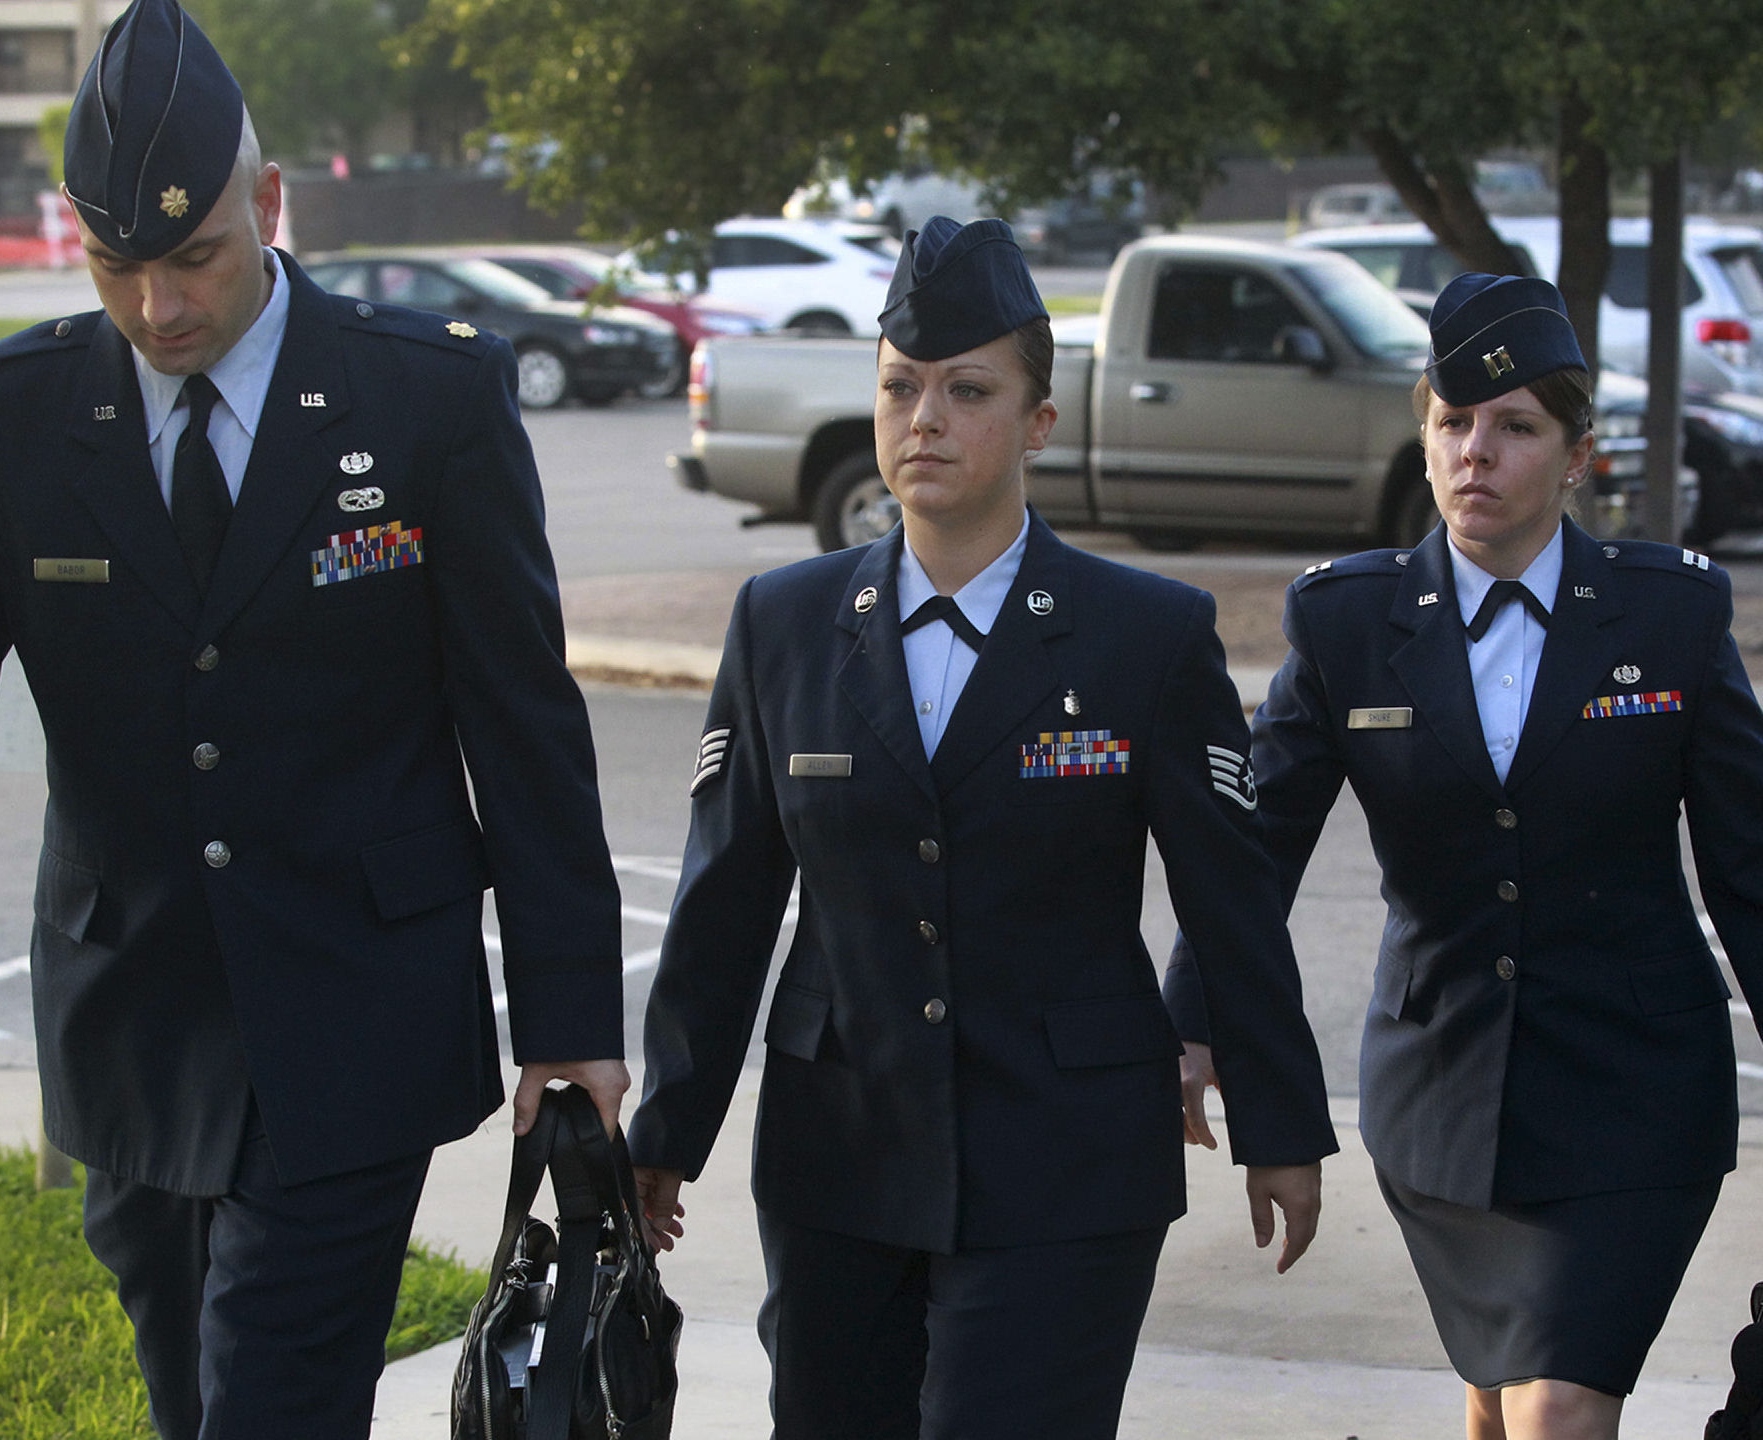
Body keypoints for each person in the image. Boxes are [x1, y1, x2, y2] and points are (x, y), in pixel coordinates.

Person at [0, 2, 627, 1435]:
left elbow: (523, 722)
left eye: (195, 258)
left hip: (358, 1009)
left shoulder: (429, 399)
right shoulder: (11, 418)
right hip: (135, 1020)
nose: (159, 308)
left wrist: (572, 1019)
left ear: (270, 205)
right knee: (193, 1399)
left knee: (268, 1401)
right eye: (119, 266)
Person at [625, 215, 1338, 1439]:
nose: (924, 420)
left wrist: (1278, 1122)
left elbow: (1229, 894)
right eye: (899, 387)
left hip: (1065, 1158)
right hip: (840, 1154)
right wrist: (665, 1130)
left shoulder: (1143, 635)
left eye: (966, 390)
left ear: (1038, 424)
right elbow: (723, 896)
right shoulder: (782, 623)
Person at [1166, 271, 1763, 1440]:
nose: (1474, 451)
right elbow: (1252, 850)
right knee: (1497, 1405)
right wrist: (1191, 1016)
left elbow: (1747, 863)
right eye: (1451, 422)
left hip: (1632, 1091)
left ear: (1577, 457)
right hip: (1441, 1092)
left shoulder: (1667, 617)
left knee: (1559, 1408)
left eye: (1514, 427)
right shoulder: (1345, 622)